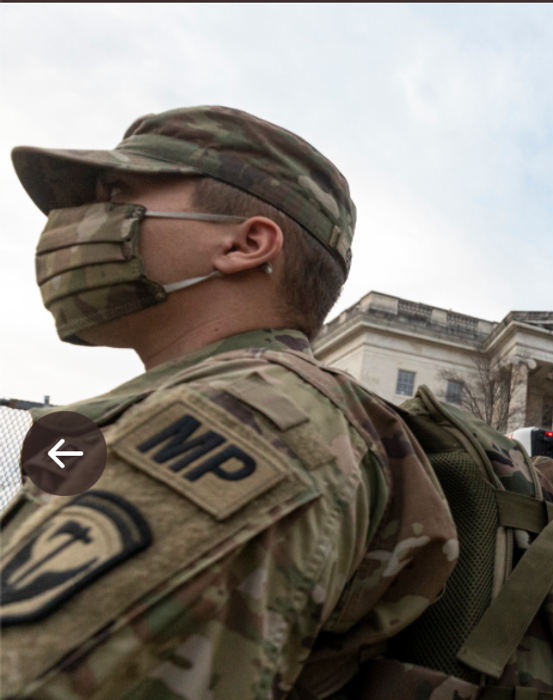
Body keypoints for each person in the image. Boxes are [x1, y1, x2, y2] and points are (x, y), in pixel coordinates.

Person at [0, 106, 458, 700]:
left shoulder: (244, 414)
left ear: (247, 243)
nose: (74, 222)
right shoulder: (242, 401)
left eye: (116, 194)